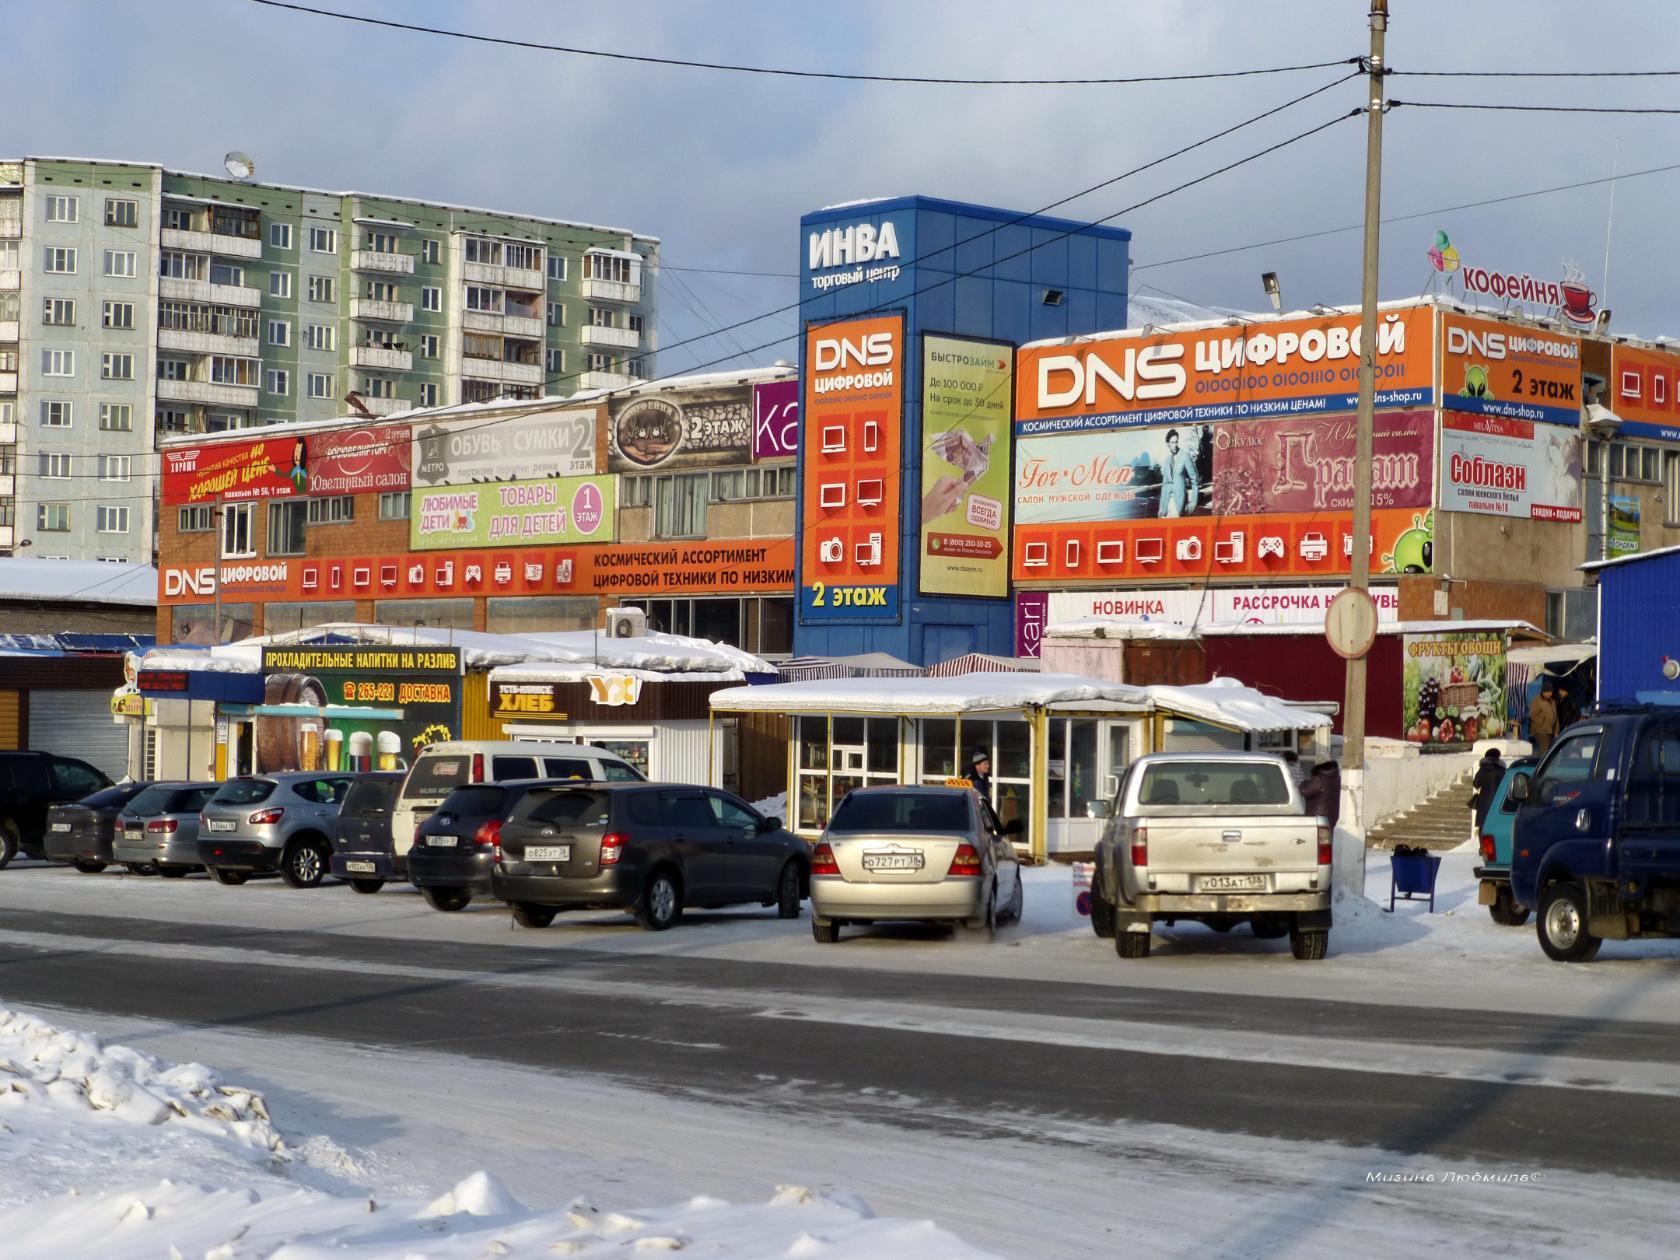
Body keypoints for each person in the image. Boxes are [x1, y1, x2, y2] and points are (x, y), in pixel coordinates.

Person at [1158, 428, 1200, 518]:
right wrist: (1161, 508)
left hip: (1179, 505)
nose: (1175, 445)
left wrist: (1193, 502)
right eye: (1172, 443)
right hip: (1166, 506)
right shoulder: (1166, 460)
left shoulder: (1185, 456)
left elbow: (1195, 479)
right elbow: (1164, 485)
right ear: (1167, 444)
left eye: (1176, 442)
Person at [1300, 760, 1341, 834]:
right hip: (1332, 814)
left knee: (1315, 840)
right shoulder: (1337, 778)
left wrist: (1304, 783)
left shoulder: (1319, 779)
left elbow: (1304, 791)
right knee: (1327, 839)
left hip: (1318, 815)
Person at [1471, 746, 1506, 833]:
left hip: (1483, 801)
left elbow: (1475, 784)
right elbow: (1504, 784)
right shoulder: (1500, 769)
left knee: (1482, 825)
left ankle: (1482, 845)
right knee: (1495, 825)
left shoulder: (1482, 769)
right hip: (1496, 800)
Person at [1529, 680, 1560, 756]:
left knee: (1550, 749)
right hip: (1540, 730)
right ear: (1544, 692)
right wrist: (1542, 720)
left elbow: (1555, 716)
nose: (1550, 693)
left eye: (1551, 692)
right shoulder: (1537, 701)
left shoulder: (1552, 701)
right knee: (1544, 749)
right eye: (1549, 692)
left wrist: (1556, 730)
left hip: (1550, 731)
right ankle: (1542, 765)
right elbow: (1533, 715)